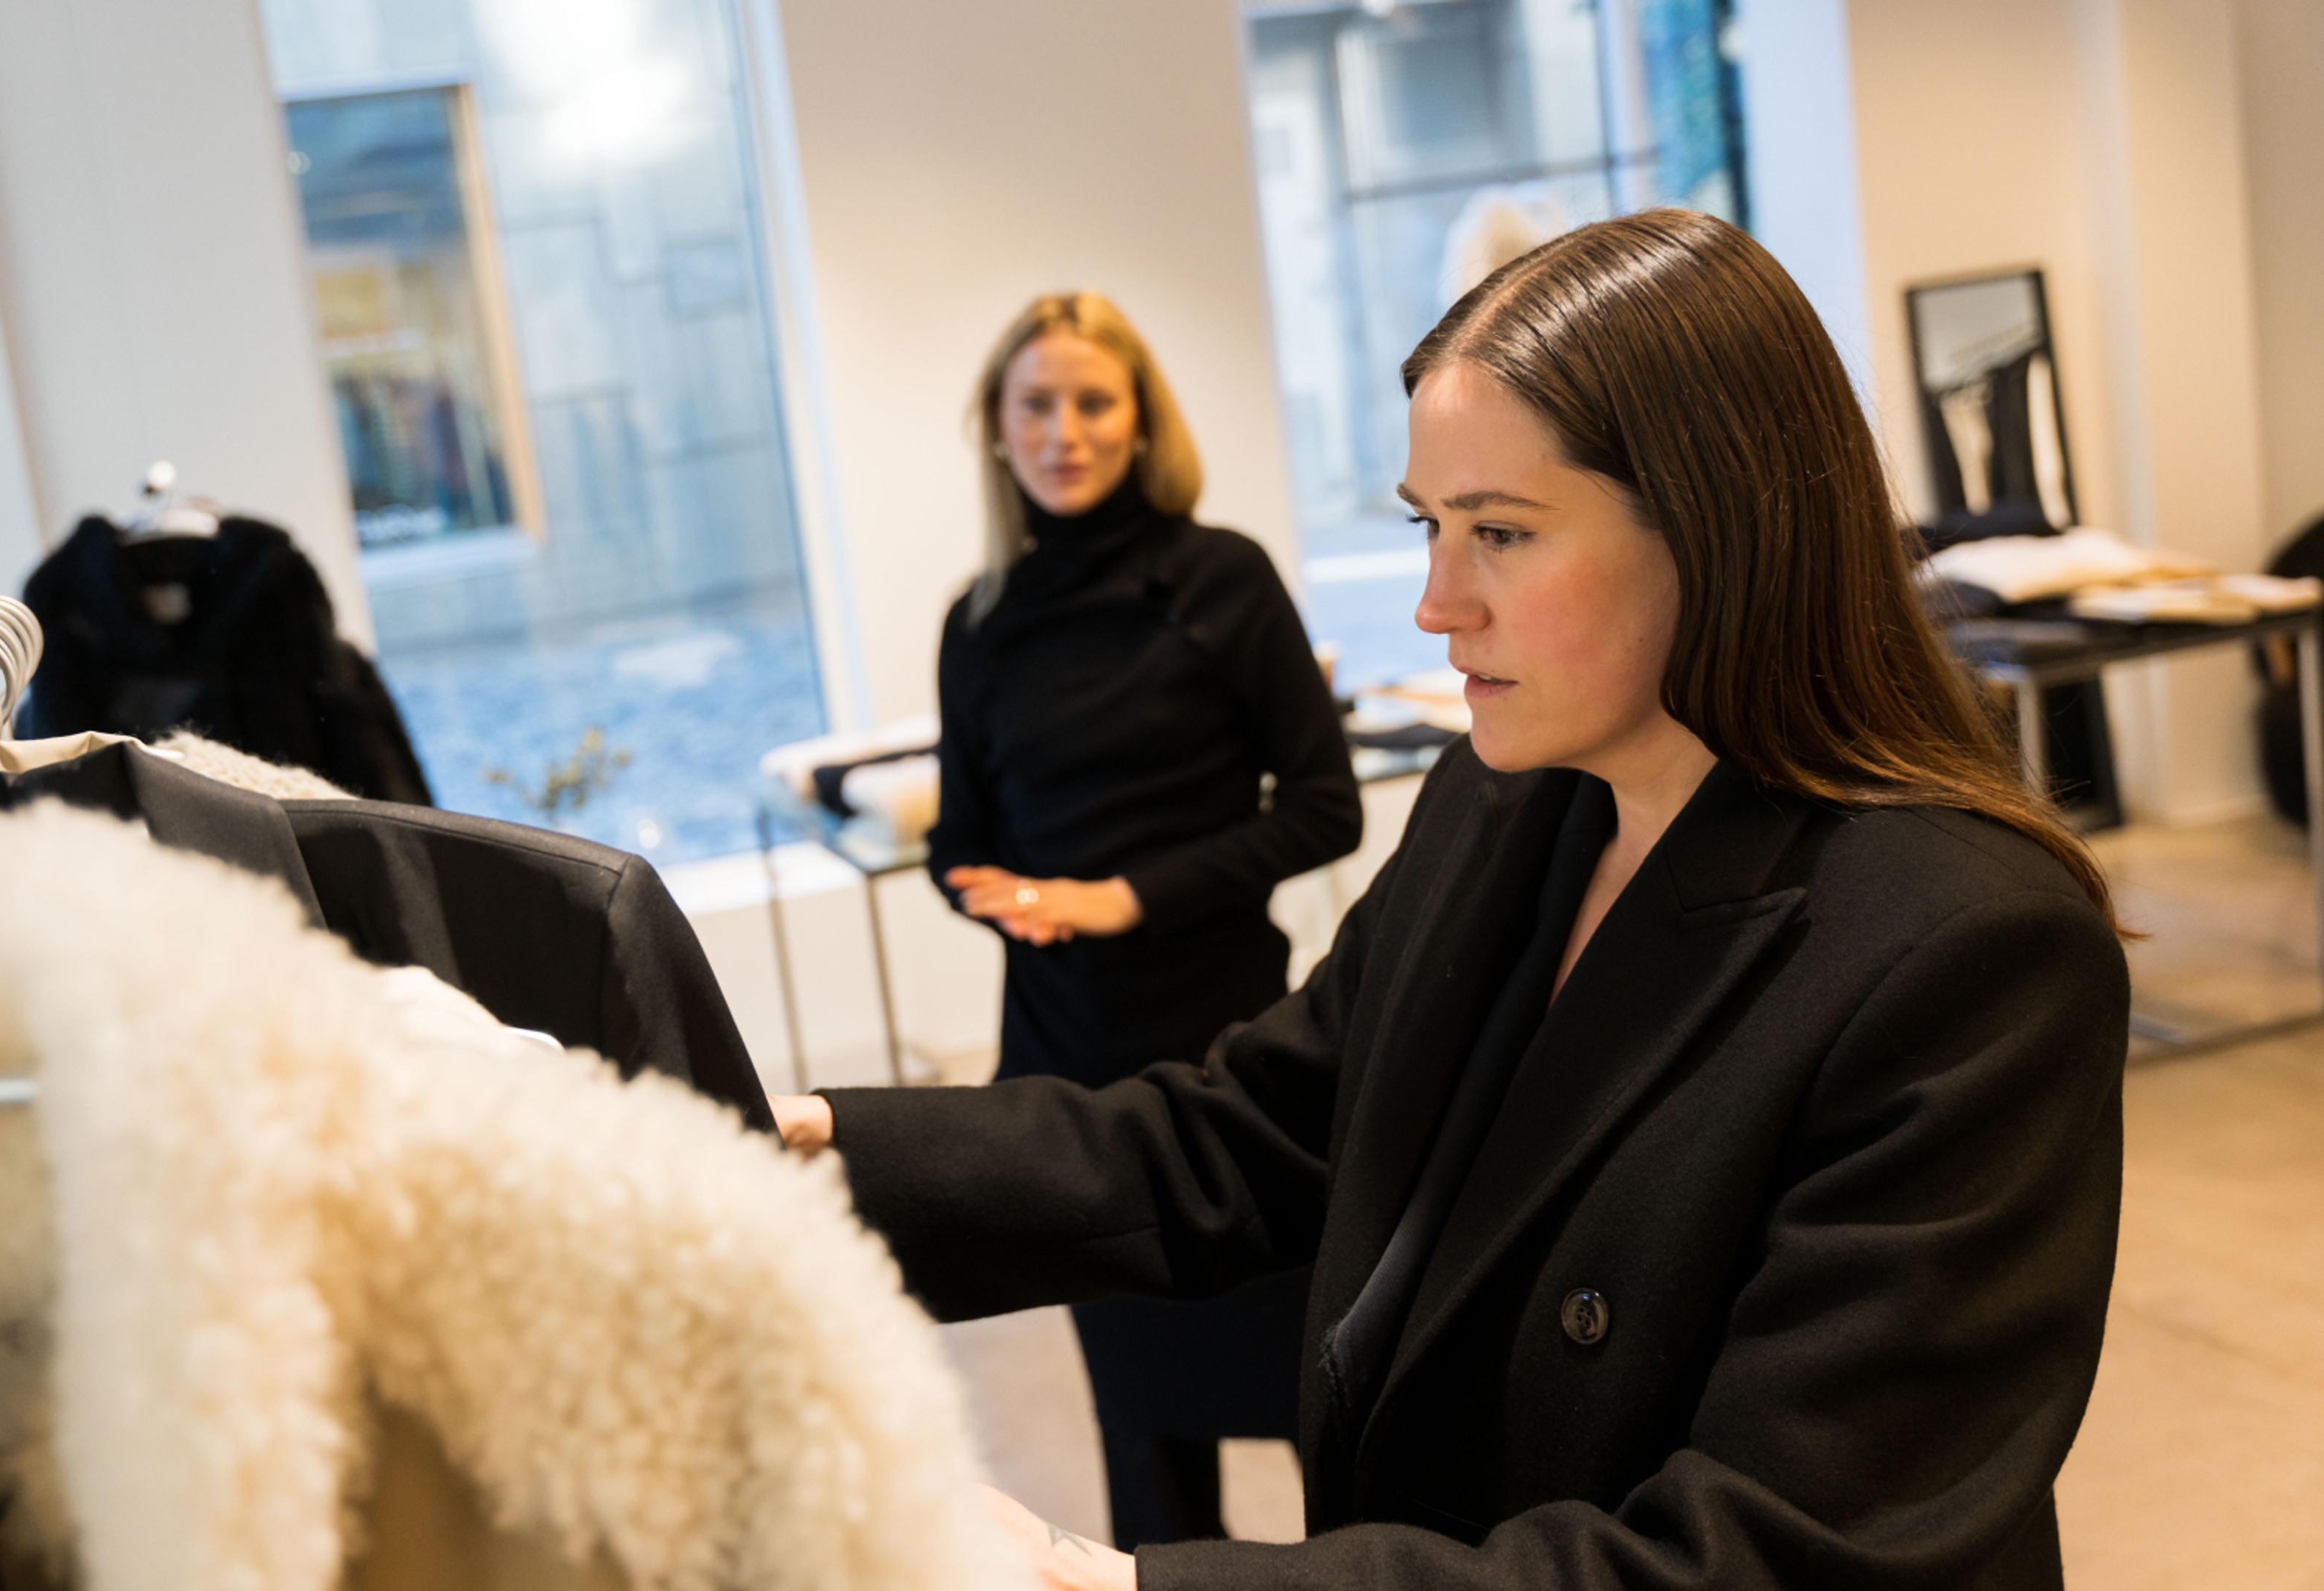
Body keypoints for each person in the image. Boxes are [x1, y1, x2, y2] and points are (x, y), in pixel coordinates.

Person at [777, 210, 2129, 1589]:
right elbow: (1248, 1136)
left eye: (1500, 532)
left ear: (1723, 529)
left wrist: (1124, 1586)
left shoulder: (1970, 951)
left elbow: (1774, 1554)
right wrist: (803, 1154)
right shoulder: (1503, 805)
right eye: (1430, 526)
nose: (1436, 603)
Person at [923, 290, 1364, 1547]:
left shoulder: (1221, 578)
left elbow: (1323, 807)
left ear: (1139, 421)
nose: (1065, 431)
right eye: (1036, 406)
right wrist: (1005, 902)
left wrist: (1119, 899)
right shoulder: (981, 621)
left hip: (1230, 1054)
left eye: (1092, 403)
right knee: (1141, 1427)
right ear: (998, 432)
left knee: (1303, 1391)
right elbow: (960, 840)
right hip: (1068, 1068)